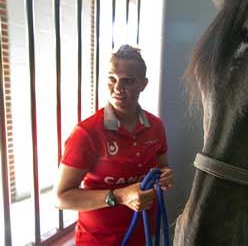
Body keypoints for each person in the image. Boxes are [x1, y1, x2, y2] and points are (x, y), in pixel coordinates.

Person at [54, 44, 174, 246]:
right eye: (112, 79)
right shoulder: (86, 133)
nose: (118, 88)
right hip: (98, 240)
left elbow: (162, 166)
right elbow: (61, 198)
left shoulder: (155, 126)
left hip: (143, 233)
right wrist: (120, 196)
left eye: (127, 81)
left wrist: (165, 174)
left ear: (143, 84)